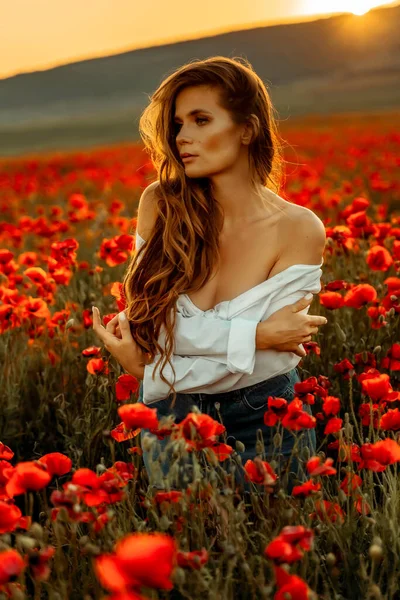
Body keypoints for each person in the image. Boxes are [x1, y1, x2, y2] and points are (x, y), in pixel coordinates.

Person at [100, 56, 328, 495]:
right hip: (172, 414)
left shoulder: (298, 228)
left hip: (270, 414)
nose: (182, 137)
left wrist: (154, 368)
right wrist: (256, 335)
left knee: (274, 556)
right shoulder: (162, 204)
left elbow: (166, 344)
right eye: (179, 124)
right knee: (189, 553)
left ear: (248, 128)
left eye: (201, 120)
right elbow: (152, 328)